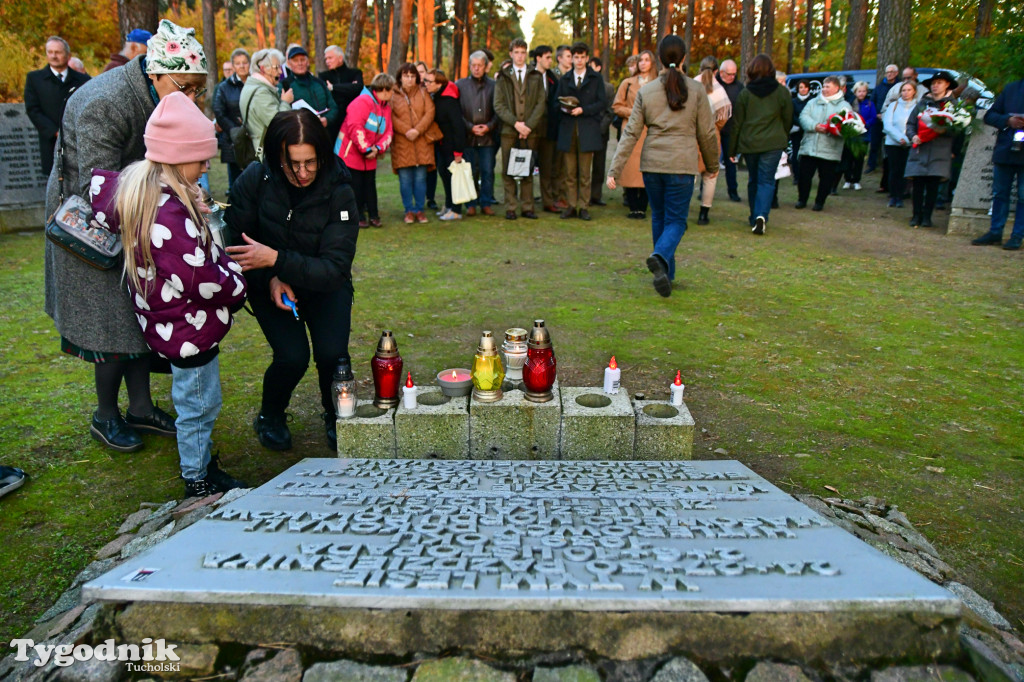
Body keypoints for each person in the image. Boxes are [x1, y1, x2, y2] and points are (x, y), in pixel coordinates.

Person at [44, 20, 207, 453]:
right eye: (186, 88)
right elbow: (96, 186)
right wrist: (160, 212)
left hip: (135, 214)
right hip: (86, 224)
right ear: (156, 73)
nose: (192, 99)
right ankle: (106, 415)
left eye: (197, 91)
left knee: (138, 314)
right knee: (110, 322)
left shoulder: (155, 94)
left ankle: (139, 407)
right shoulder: (107, 102)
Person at [92, 92, 248, 497]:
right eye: (201, 160)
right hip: (188, 330)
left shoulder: (149, 194)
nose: (207, 166)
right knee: (198, 406)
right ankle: (197, 477)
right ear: (179, 158)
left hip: (171, 322)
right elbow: (200, 276)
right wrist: (237, 281)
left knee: (197, 403)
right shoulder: (169, 213)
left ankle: (201, 463)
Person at [226, 110, 361, 451]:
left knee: (333, 354)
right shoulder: (255, 180)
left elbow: (334, 267)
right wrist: (271, 276)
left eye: (310, 163)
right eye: (292, 164)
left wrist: (276, 260)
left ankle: (335, 414)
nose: (302, 173)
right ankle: (270, 415)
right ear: (276, 156)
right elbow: (237, 242)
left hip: (325, 285)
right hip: (269, 285)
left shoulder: (340, 191)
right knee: (292, 356)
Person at [608, 35, 717, 298]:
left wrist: (614, 168)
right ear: (684, 58)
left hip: (653, 165)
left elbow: (631, 133)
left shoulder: (646, 91)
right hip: (681, 165)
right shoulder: (697, 90)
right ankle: (660, 256)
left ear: (658, 58)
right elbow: (708, 133)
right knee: (677, 221)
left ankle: (666, 274)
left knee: (659, 217)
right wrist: (712, 164)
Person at [727, 54, 791, 236]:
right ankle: (761, 215)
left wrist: (732, 149)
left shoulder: (745, 94)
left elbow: (737, 122)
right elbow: (787, 119)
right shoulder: (782, 93)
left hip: (750, 143)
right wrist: (782, 137)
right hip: (773, 143)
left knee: (754, 179)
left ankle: (755, 215)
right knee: (767, 180)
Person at [494, 39, 546, 220]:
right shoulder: (502, 77)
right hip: (509, 130)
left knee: (528, 169)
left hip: (530, 131)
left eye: (523, 52)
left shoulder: (536, 76)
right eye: (516, 52)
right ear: (511, 54)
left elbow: (541, 103)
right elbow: (498, 105)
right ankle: (510, 207)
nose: (520, 56)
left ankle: (527, 207)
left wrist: (528, 126)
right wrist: (516, 124)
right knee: (508, 169)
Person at [24, 36, 90, 176]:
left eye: (58, 52)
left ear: (68, 55)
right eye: (50, 52)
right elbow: (33, 110)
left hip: (79, 141)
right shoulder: (35, 79)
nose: (53, 56)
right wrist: (55, 131)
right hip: (50, 142)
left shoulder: (83, 80)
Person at [556, 42, 607, 221]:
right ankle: (571, 205)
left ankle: (584, 206)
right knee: (570, 172)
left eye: (581, 57)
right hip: (568, 129)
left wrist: (583, 110)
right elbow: (556, 102)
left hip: (587, 129)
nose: (578, 60)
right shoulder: (565, 79)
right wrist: (566, 108)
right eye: (575, 57)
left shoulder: (595, 78)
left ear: (587, 58)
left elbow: (602, 102)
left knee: (585, 172)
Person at [972, 79, 1024, 249]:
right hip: (1006, 150)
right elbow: (990, 116)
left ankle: (1017, 235)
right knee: (1000, 193)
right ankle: (995, 232)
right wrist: (1008, 120)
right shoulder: (1011, 88)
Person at [338, 73, 395, 227]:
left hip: (371, 154)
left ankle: (374, 215)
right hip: (351, 153)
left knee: (370, 185)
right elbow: (355, 127)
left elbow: (389, 132)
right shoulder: (362, 102)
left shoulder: (386, 108)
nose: (393, 94)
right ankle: (358, 216)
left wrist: (377, 148)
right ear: (383, 89)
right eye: (391, 90)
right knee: (355, 186)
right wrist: (366, 150)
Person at [905, 71, 958, 228]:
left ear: (947, 84)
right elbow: (910, 124)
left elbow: (958, 129)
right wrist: (912, 136)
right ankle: (916, 215)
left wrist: (945, 131)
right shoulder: (922, 104)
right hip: (920, 148)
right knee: (918, 184)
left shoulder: (952, 105)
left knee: (933, 184)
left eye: (939, 82)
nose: (935, 86)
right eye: (933, 83)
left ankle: (927, 216)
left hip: (940, 150)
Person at [612, 50, 657, 219]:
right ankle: (633, 206)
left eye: (647, 60)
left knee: (648, 167)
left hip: (651, 131)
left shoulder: (658, 82)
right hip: (631, 130)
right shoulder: (628, 83)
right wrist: (633, 112)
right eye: (640, 60)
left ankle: (643, 207)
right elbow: (616, 106)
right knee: (630, 169)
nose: (643, 63)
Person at [795, 75, 851, 212]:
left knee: (826, 178)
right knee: (804, 176)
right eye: (824, 86)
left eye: (828, 87)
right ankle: (802, 199)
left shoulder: (845, 106)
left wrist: (832, 129)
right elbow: (803, 117)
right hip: (810, 146)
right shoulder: (813, 102)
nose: (824, 89)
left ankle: (820, 202)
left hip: (830, 149)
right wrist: (814, 126)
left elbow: (847, 126)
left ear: (837, 88)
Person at [391, 63, 436, 224]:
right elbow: (391, 116)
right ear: (400, 77)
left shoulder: (424, 93)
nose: (409, 79)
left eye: (412, 76)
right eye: (406, 76)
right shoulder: (393, 95)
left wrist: (417, 130)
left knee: (420, 179)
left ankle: (420, 210)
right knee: (405, 179)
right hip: (402, 143)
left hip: (422, 142)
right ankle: (408, 210)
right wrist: (406, 131)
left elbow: (430, 113)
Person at [456, 52, 498, 216]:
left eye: (479, 65)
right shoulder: (460, 85)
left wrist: (488, 126)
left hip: (488, 138)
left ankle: (486, 203)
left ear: (485, 66)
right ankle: (471, 204)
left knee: (487, 171)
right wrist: (469, 127)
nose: (476, 68)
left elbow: (498, 111)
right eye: (473, 65)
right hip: (468, 137)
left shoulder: (494, 86)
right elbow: (457, 112)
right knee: (470, 172)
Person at [424, 68, 467, 221]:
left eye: (429, 81)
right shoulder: (437, 97)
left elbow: (458, 126)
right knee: (444, 176)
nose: (426, 84)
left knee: (453, 179)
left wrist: (458, 151)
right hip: (441, 145)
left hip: (451, 146)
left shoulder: (449, 100)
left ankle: (456, 210)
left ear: (438, 83)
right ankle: (449, 205)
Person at [693, 56, 731, 226]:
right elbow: (723, 117)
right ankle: (703, 213)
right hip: (711, 133)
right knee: (710, 175)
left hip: (691, 133)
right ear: (716, 71)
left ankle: (680, 213)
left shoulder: (691, 85)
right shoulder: (720, 90)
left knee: (689, 173)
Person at [241, 49, 294, 161]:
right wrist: (285, 102)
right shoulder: (261, 93)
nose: (280, 72)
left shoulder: (254, 86)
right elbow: (277, 123)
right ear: (263, 69)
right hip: (266, 152)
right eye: (276, 67)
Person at [212, 48, 250, 190]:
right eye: (238, 63)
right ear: (233, 66)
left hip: (255, 139)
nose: (242, 66)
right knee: (236, 183)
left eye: (244, 63)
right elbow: (218, 111)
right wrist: (234, 131)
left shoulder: (256, 83)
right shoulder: (224, 87)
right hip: (234, 141)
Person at [533, 45, 563, 213]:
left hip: (549, 129)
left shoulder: (553, 79)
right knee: (523, 165)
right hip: (530, 128)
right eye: (547, 57)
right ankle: (525, 201)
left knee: (548, 166)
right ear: (538, 58)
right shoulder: (529, 76)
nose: (550, 61)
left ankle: (548, 201)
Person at [281, 46, 338, 132]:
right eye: (295, 60)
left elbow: (333, 107)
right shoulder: (285, 85)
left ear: (307, 62)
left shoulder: (319, 83)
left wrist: (326, 119)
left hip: (324, 133)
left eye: (302, 60)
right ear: (289, 63)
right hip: (301, 134)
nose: (300, 63)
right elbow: (282, 113)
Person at [882, 80, 917, 209]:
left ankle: (901, 196)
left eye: (909, 90)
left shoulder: (917, 107)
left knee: (904, 171)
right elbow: (887, 125)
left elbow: (917, 125)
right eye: (903, 90)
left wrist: (908, 139)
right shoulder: (894, 105)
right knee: (894, 170)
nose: (906, 93)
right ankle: (893, 196)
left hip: (910, 143)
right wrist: (899, 138)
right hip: (893, 143)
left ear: (914, 91)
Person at [320, 45, 365, 144]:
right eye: (326, 59)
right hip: (332, 125)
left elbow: (357, 88)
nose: (327, 61)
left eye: (330, 58)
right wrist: (348, 88)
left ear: (340, 58)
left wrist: (333, 88)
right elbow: (325, 96)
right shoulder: (323, 76)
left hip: (352, 122)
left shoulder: (355, 73)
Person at [587, 57, 616, 207]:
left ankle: (596, 195)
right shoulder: (584, 86)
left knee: (599, 165)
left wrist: (600, 129)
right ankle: (583, 194)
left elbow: (610, 111)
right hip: (586, 129)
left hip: (601, 131)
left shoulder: (608, 88)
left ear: (598, 68)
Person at [838, 81, 876, 191]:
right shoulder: (849, 103)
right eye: (859, 91)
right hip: (850, 135)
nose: (861, 93)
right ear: (855, 92)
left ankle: (856, 180)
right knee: (848, 158)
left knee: (859, 159)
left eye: (864, 91)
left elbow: (873, 118)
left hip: (863, 135)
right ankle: (847, 179)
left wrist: (864, 124)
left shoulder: (869, 104)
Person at [716, 59, 743, 202]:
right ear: (721, 73)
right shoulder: (713, 84)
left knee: (731, 162)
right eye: (729, 74)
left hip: (731, 130)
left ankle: (733, 191)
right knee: (711, 162)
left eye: (734, 74)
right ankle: (705, 190)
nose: (732, 77)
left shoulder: (739, 87)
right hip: (713, 129)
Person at [868, 64, 899, 175]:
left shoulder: (899, 87)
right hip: (878, 120)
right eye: (887, 72)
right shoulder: (879, 88)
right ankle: (871, 165)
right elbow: (872, 102)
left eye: (892, 71)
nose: (889, 74)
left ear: (896, 73)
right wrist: (877, 114)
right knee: (874, 144)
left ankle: (888, 167)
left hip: (892, 120)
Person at [790, 79, 812, 180]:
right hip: (796, 131)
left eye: (805, 87)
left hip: (809, 131)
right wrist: (800, 123)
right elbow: (792, 115)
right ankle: (796, 176)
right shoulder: (793, 101)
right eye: (801, 87)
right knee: (796, 153)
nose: (803, 89)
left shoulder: (812, 101)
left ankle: (805, 175)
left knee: (807, 155)